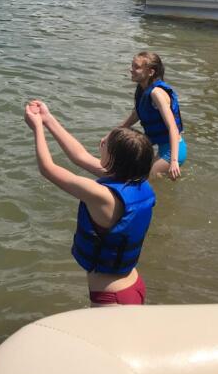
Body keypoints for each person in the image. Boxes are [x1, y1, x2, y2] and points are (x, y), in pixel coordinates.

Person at [24, 100, 155, 306]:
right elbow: (79, 156)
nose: (101, 141)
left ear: (114, 158)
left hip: (112, 299)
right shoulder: (137, 182)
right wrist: (48, 119)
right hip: (132, 285)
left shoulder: (103, 196)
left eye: (105, 142)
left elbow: (48, 169)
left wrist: (37, 128)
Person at [114, 51, 186, 180]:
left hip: (174, 150)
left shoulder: (156, 93)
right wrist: (112, 135)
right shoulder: (143, 90)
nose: (131, 70)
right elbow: (135, 115)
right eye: (132, 66)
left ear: (151, 72)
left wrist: (174, 161)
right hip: (161, 145)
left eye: (136, 67)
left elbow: (173, 128)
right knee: (136, 171)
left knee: (142, 178)